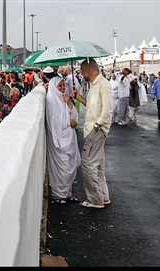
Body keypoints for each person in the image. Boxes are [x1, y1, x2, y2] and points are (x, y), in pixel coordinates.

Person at [74, 58, 113, 209]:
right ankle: (103, 196)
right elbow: (91, 106)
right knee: (97, 165)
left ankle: (96, 199)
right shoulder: (94, 85)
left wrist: (98, 125)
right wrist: (79, 98)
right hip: (94, 128)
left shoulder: (103, 85)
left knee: (87, 164)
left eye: (83, 71)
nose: (82, 74)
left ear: (88, 71)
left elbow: (108, 110)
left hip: (96, 130)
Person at [46, 76, 81, 204]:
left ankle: (66, 194)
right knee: (62, 167)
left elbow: (74, 116)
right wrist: (68, 121)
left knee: (69, 166)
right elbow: (54, 122)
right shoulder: (51, 101)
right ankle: (58, 194)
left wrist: (70, 103)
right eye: (59, 86)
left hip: (69, 138)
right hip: (59, 141)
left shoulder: (63, 99)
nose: (62, 88)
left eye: (63, 85)